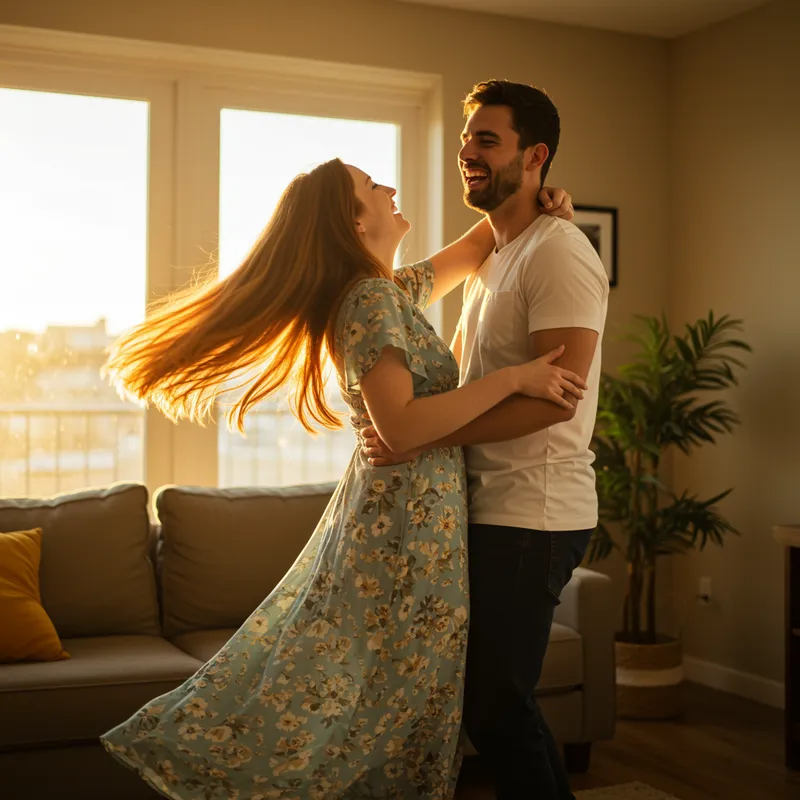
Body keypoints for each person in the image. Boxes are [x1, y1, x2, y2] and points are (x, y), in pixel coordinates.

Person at [98, 156, 582, 799]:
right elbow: (404, 428)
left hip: (415, 519)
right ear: (354, 222)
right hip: (406, 530)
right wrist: (514, 378)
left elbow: (474, 246)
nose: (387, 187)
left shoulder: (383, 291)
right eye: (369, 186)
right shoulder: (370, 298)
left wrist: (545, 207)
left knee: (388, 700)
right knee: (382, 702)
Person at [362, 80, 610, 800]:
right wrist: (536, 199)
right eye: (466, 137)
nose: (466, 151)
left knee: (497, 707)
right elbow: (458, 254)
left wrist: (423, 439)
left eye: (486, 139)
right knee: (496, 705)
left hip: (531, 514)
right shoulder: (496, 250)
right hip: (485, 507)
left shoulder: (557, 253)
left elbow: (556, 402)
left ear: (534, 155)